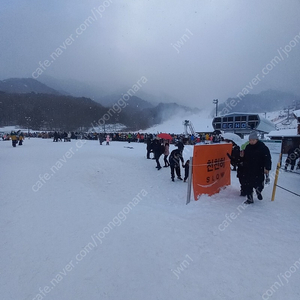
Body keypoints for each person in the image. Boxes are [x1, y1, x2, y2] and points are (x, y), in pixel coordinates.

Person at [242, 131, 272, 204]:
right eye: (250, 140)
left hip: (259, 169)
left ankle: (258, 191)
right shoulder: (248, 147)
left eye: (252, 140)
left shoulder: (263, 147)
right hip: (249, 169)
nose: (251, 142)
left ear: (256, 140)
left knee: (259, 183)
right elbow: (245, 157)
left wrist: (267, 167)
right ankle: (249, 199)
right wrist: (242, 157)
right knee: (248, 184)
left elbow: (267, 158)